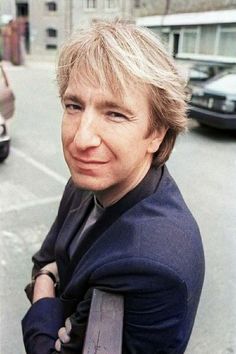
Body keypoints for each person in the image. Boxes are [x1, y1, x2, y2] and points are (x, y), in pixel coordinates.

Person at [22, 20, 205, 354]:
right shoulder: (88, 181)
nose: (81, 139)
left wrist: (45, 289)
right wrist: (48, 277)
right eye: (74, 106)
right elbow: (47, 256)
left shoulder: (152, 264)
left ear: (157, 133)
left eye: (116, 114)